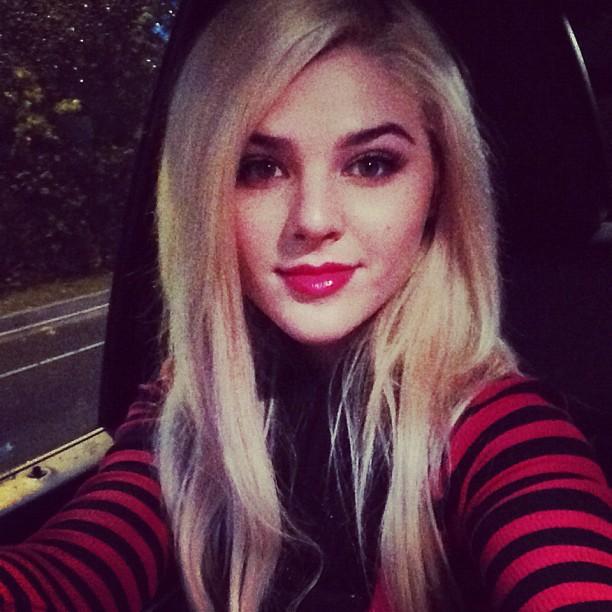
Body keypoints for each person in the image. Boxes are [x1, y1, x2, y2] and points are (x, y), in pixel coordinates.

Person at [1, 0, 611, 610]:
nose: (313, 220)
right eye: (260, 168)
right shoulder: (189, 407)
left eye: (371, 164)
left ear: (437, 190)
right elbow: (74, 567)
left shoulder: (496, 428)